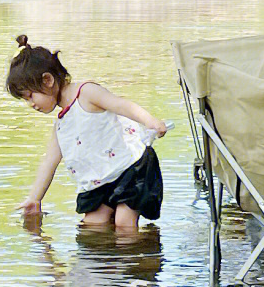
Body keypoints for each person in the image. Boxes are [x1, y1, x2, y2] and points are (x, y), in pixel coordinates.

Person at [10, 35, 167, 230]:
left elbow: (121, 105)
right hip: (99, 183)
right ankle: (104, 259)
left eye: (30, 96)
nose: (31, 104)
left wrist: (150, 121)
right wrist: (34, 198)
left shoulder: (86, 93)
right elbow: (49, 162)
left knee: (124, 224)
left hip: (130, 169)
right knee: (93, 226)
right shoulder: (61, 124)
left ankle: (135, 257)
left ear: (47, 80)